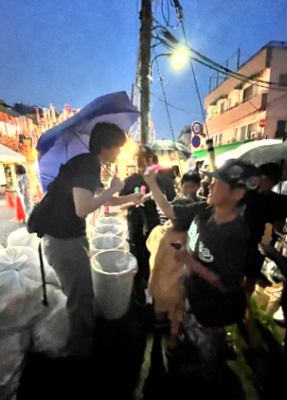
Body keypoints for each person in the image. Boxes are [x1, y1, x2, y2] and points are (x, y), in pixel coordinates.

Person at [144, 159, 260, 377]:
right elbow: (168, 210)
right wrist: (151, 183)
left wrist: (187, 260)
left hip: (211, 305)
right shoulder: (204, 209)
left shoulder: (234, 234)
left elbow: (225, 284)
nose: (209, 185)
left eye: (218, 182)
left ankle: (208, 380)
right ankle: (188, 345)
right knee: (185, 322)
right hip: (192, 291)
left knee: (206, 349)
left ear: (237, 194)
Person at [40, 123, 143, 356]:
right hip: (63, 241)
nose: (119, 153)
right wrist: (114, 187)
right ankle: (80, 354)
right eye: (118, 148)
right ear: (106, 147)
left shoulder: (87, 164)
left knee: (82, 293)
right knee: (81, 299)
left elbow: (101, 199)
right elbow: (82, 208)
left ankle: (83, 342)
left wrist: (130, 197)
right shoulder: (87, 165)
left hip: (66, 238)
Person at [119, 146, 160, 305]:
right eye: (137, 159)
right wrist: (131, 200)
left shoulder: (157, 178)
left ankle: (153, 288)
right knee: (136, 254)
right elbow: (119, 206)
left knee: (152, 255)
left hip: (153, 225)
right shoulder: (128, 181)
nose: (140, 163)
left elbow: (167, 201)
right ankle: (138, 291)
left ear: (150, 160)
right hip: (135, 224)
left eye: (144, 159)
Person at [243, 162, 287, 294]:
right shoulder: (279, 201)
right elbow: (278, 227)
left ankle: (244, 306)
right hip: (250, 245)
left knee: (248, 280)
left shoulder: (248, 195)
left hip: (260, 247)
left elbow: (279, 227)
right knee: (246, 279)